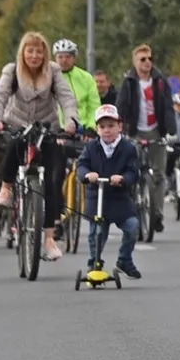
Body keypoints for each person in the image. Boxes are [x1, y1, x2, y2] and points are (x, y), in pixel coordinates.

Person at [0, 31, 80, 261]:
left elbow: (66, 98)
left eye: (39, 51)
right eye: (30, 51)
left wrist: (71, 122)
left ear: (45, 54)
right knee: (14, 145)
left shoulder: (54, 71)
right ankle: (6, 189)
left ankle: (49, 239)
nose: (35, 56)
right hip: (16, 123)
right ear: (23, 52)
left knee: (50, 181)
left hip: (46, 127)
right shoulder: (12, 71)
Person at [76, 104, 141, 279]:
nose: (107, 131)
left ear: (119, 126)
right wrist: (87, 175)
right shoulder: (91, 148)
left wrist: (123, 179)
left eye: (111, 126)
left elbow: (133, 172)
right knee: (96, 234)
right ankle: (93, 263)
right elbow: (81, 166)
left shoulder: (128, 148)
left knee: (132, 227)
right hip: (97, 198)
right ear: (97, 129)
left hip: (119, 199)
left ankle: (124, 260)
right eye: (102, 127)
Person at [116, 45, 174, 233]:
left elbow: (167, 106)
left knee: (158, 174)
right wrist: (121, 129)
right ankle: (132, 208)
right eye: (142, 59)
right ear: (135, 62)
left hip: (156, 130)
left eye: (150, 58)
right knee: (132, 171)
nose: (147, 62)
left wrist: (170, 128)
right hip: (135, 131)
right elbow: (122, 107)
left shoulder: (160, 81)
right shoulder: (129, 82)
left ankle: (156, 213)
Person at [52, 39, 101, 131]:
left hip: (82, 129)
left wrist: (91, 127)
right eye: (60, 57)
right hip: (57, 130)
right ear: (55, 58)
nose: (64, 60)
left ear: (74, 58)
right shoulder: (49, 76)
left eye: (68, 57)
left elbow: (94, 105)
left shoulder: (86, 77)